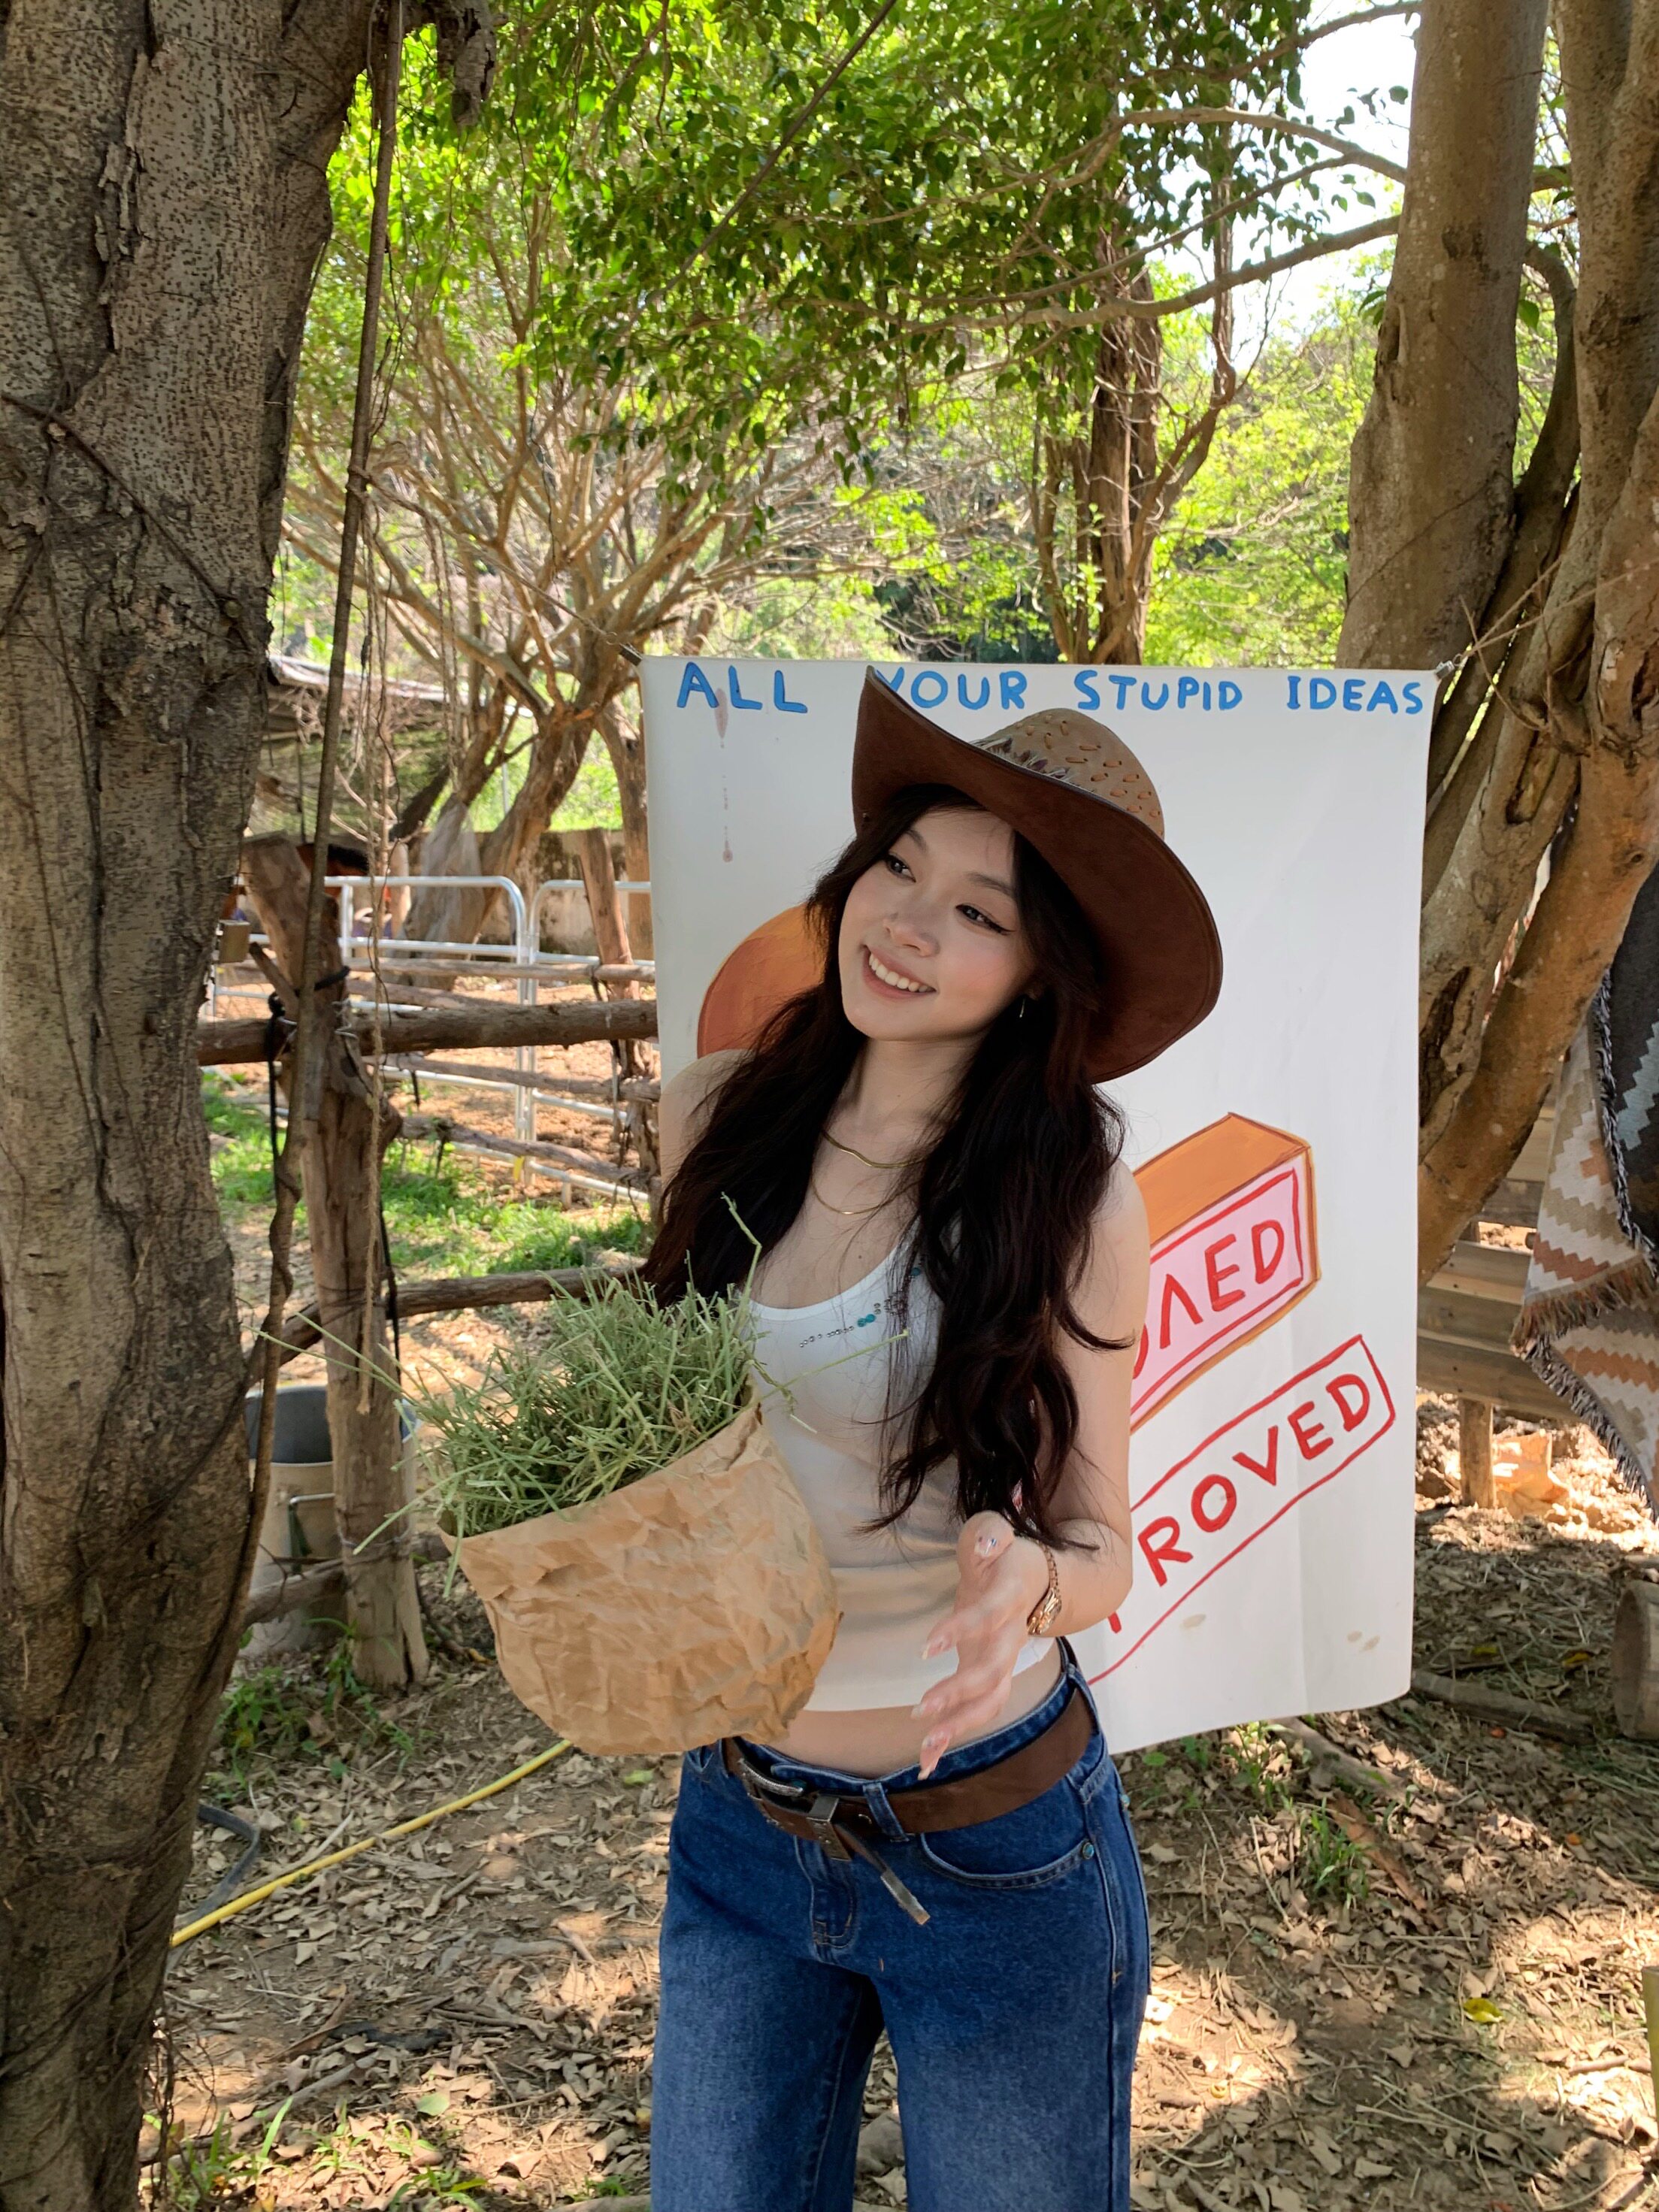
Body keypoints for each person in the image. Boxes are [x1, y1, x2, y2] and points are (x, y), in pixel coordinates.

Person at [642, 672, 1222, 2212]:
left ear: (1038, 973)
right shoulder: (711, 1115)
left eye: (978, 910)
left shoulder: (1070, 1201)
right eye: (900, 864)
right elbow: (675, 1441)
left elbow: (1105, 1541)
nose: (905, 922)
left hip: (994, 1850)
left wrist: (1027, 1579)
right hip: (743, 1823)